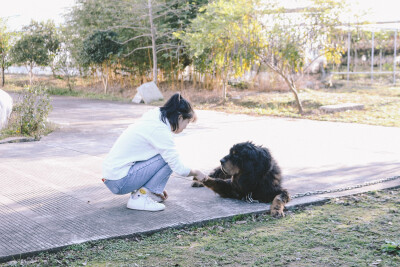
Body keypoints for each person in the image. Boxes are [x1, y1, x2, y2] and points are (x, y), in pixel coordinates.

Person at [102, 93, 206, 211]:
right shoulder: (160, 131)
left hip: (113, 176)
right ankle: (139, 199)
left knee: (164, 156)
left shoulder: (155, 119)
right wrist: (197, 173)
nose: (184, 129)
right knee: (167, 159)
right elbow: (179, 168)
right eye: (186, 124)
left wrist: (153, 188)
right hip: (119, 180)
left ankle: (143, 193)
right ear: (180, 117)